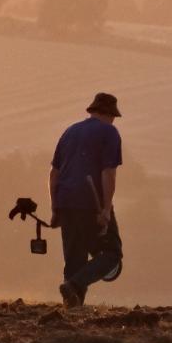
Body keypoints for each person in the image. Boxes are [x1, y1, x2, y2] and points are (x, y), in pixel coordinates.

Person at [49, 92, 124, 307]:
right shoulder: (109, 132)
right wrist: (106, 210)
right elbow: (108, 172)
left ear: (92, 110)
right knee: (111, 254)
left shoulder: (69, 131)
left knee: (75, 258)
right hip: (91, 201)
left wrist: (55, 209)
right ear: (110, 114)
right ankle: (75, 284)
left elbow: (54, 173)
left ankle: (72, 309)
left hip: (65, 201)